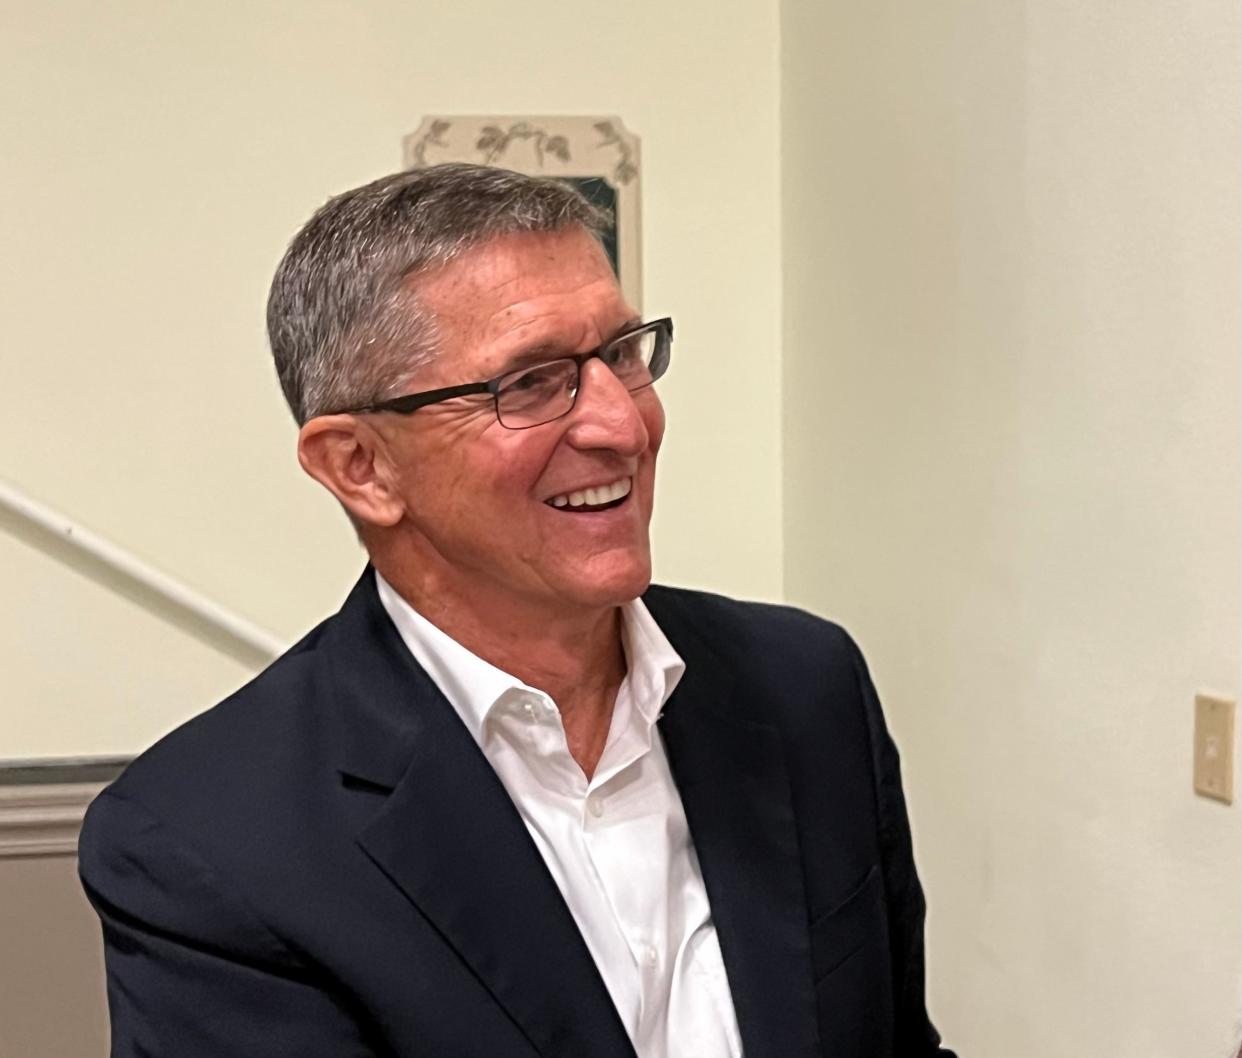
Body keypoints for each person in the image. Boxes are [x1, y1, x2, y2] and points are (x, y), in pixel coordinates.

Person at [78, 163, 955, 1058]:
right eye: (531, 383)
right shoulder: (209, 844)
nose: (623, 425)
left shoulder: (804, 686)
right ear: (360, 466)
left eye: (621, 353)